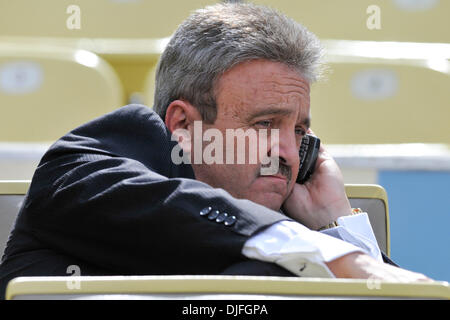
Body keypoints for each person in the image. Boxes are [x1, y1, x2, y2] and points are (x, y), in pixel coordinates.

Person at [0, 2, 430, 299]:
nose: (287, 151)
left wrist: (333, 222)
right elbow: (171, 209)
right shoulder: (86, 165)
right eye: (264, 124)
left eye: (298, 130)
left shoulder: (299, 242)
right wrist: (343, 260)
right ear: (183, 126)